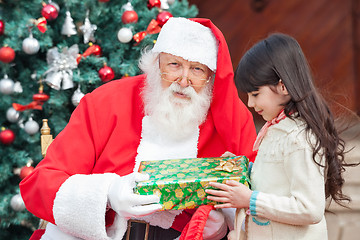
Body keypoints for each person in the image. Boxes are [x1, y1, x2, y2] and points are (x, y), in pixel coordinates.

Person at [20, 17, 257, 240]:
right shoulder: (106, 101)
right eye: (174, 65)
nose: (184, 81)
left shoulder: (233, 119)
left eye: (197, 69)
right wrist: (108, 194)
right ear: (156, 63)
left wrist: (224, 223)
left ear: (210, 77)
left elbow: (261, 196)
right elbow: (42, 183)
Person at [206, 33, 357, 240]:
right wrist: (242, 169)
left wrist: (249, 199)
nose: (250, 104)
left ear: (283, 86)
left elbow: (309, 208)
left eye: (255, 94)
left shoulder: (299, 138)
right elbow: (277, 180)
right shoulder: (278, 128)